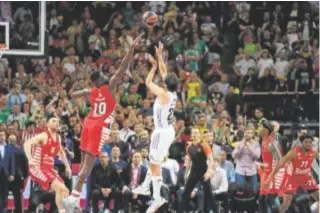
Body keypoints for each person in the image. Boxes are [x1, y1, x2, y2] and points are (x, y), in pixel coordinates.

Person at [62, 33, 143, 213]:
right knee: (88, 166)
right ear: (101, 81)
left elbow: (73, 94)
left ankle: (74, 200)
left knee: (84, 165)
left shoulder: (91, 91)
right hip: (98, 127)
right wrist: (131, 48)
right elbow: (122, 68)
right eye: (103, 77)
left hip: (87, 124)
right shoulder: (108, 88)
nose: (106, 77)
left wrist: (82, 89)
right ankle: (72, 198)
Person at [132, 42, 180, 213]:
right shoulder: (172, 93)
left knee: (154, 163)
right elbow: (165, 72)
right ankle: (148, 189)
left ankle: (157, 197)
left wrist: (152, 67)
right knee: (154, 162)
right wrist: (160, 55)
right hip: (167, 131)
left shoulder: (163, 94)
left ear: (166, 84)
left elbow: (148, 81)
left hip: (161, 131)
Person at [24, 116, 71, 213]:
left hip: (48, 169)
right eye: (54, 121)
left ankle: (60, 210)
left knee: (66, 192)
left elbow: (61, 153)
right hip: (37, 168)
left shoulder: (58, 137)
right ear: (47, 124)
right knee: (60, 188)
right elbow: (27, 144)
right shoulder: (44, 135)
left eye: (58, 121)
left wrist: (68, 166)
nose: (57, 122)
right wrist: (30, 159)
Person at [265, 134, 319, 213]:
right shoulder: (294, 152)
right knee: (286, 204)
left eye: (310, 142)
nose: (308, 144)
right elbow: (280, 163)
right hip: (293, 178)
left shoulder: (313, 152)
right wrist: (269, 178)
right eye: (306, 142)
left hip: (306, 177)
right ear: (301, 143)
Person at [178, 128, 218, 213]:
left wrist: (209, 172)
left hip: (204, 171)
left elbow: (211, 159)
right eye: (193, 133)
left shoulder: (204, 145)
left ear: (199, 134)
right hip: (194, 172)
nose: (194, 134)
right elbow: (188, 161)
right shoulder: (189, 147)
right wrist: (186, 174)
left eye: (196, 133)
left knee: (209, 194)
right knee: (186, 193)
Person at [258, 120, 284, 213]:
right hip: (267, 172)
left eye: (260, 127)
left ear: (266, 130)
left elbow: (279, 160)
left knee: (270, 200)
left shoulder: (272, 142)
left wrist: (270, 177)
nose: (258, 129)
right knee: (262, 199)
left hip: (276, 173)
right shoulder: (263, 140)